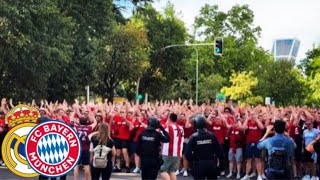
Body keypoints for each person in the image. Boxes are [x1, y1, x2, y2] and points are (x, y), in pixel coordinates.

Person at [185, 115, 223, 180]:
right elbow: (220, 152)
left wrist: (192, 164)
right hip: (211, 163)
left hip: (199, 164)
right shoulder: (212, 135)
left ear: (196, 124)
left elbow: (187, 154)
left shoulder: (193, 137)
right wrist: (220, 166)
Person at [159, 113, 184, 180]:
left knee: (162, 171)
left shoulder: (167, 127)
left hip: (167, 152)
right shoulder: (181, 128)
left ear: (169, 118)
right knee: (172, 171)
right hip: (178, 152)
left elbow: (159, 135)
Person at [74, 112, 97, 180]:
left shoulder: (76, 127)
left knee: (76, 166)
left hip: (77, 149)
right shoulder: (89, 127)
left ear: (80, 122)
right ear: (87, 121)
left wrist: (75, 111)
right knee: (86, 166)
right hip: (86, 149)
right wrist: (92, 116)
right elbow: (95, 122)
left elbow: (71, 120)